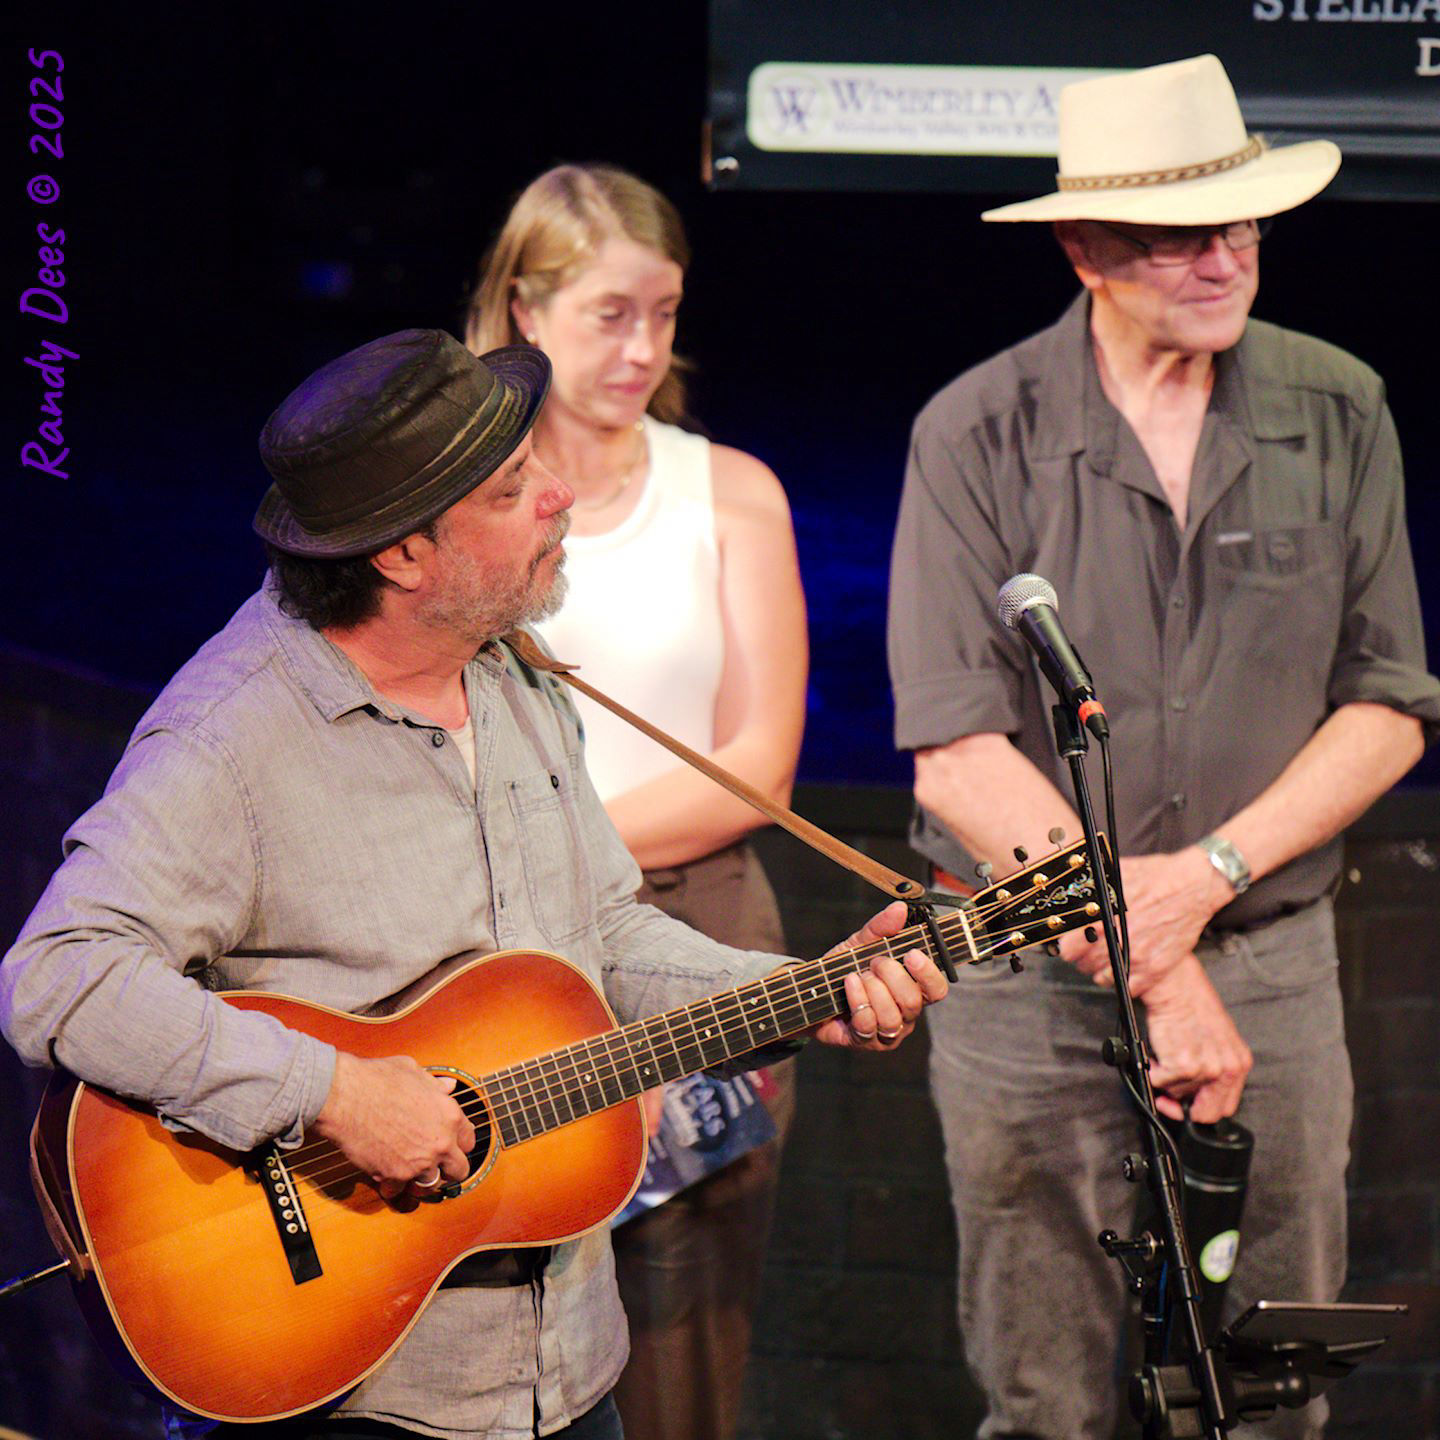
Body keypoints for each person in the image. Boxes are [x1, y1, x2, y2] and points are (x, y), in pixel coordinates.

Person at [0, 328, 948, 1440]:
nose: (559, 497)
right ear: (404, 555)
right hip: (364, 1390)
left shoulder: (508, 675)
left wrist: (799, 990)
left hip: (570, 1371)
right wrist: (335, 1093)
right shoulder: (231, 741)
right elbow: (58, 976)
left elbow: (599, 931)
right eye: (512, 488)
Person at [887, 55, 1440, 1440]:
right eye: (1182, 232)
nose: (1223, 257)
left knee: (1269, 1395)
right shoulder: (974, 433)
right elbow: (955, 755)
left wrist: (1208, 876)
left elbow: (1388, 706)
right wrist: (1161, 949)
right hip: (1031, 989)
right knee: (1045, 1399)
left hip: (1274, 971)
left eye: (1240, 223)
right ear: (1084, 249)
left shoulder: (1339, 406)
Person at [464, 163, 806, 1440]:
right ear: (525, 305)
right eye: (612, 313)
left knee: (680, 1362)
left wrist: (564, 857)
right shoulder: (462, 505)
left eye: (664, 314)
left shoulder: (731, 493)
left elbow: (757, 768)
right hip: (489, 965)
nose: (645, 348)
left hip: (696, 940)